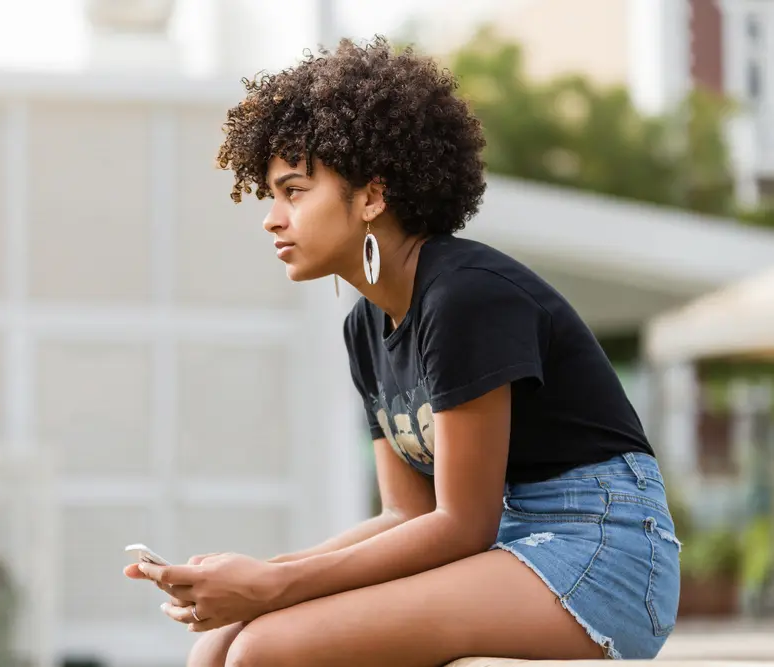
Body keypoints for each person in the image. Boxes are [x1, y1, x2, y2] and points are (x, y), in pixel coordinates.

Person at [124, 36, 681, 666]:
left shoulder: (465, 298)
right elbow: (403, 515)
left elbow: (459, 525)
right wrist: (260, 573)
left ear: (371, 196)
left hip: (601, 547)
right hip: (503, 541)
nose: (271, 218)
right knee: (218, 648)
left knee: (265, 650)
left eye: (295, 191)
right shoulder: (365, 328)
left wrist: (272, 587)